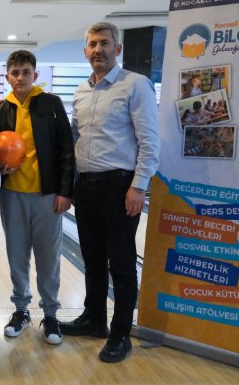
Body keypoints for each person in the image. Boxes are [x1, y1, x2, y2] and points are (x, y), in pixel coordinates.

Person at [64, 22, 159, 363]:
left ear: (117, 49)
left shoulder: (136, 85)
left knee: (120, 261)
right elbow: (76, 140)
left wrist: (138, 186)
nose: (98, 49)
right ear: (85, 51)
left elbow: (150, 141)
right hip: (87, 185)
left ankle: (121, 333)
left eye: (105, 43)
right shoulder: (80, 91)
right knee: (92, 258)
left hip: (120, 185)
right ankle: (94, 318)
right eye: (93, 44)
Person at [0, 50, 75, 345]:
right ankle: (21, 310)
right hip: (12, 194)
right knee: (17, 256)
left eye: (26, 72)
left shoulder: (51, 104)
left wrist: (65, 191)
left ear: (35, 75)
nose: (20, 78)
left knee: (48, 257)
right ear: (7, 77)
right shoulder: (2, 109)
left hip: (47, 195)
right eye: (15, 73)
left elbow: (66, 149)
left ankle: (50, 314)